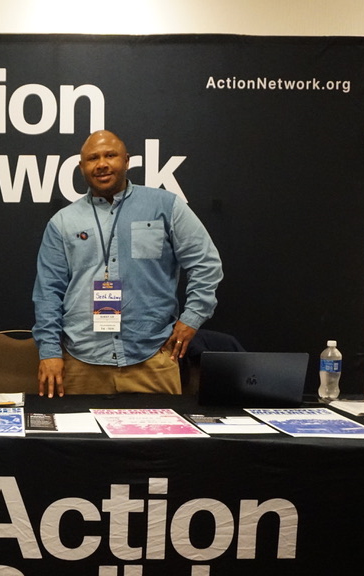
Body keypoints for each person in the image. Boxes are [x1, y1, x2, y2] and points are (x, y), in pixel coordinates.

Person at [32, 129, 223, 397]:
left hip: (153, 359)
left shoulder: (165, 206)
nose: (102, 164)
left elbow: (206, 264)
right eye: (92, 158)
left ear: (127, 160)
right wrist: (49, 352)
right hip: (80, 364)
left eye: (110, 155)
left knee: (162, 440)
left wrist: (191, 319)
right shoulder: (63, 222)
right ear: (81, 166)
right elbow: (48, 293)